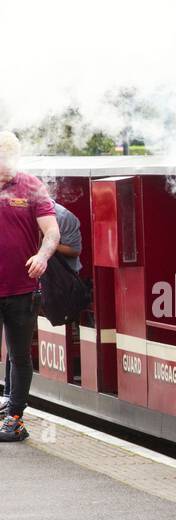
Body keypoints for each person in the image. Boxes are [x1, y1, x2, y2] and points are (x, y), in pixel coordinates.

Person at [0, 131, 60, 442]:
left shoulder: (31, 186)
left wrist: (42, 254)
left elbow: (52, 232)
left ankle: (15, 418)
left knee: (20, 355)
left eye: (10, 162)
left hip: (22, 289)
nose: (7, 169)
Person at [2, 200, 81, 415]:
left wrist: (44, 247)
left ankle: (14, 409)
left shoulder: (64, 217)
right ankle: (9, 396)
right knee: (15, 346)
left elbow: (75, 250)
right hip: (20, 283)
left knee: (19, 349)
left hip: (57, 281)